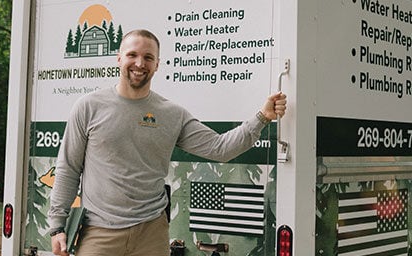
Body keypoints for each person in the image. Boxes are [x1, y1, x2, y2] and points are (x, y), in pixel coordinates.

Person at [48, 29, 287, 256]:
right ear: (118, 58)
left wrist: (262, 117)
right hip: (99, 232)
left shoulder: (172, 114)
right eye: (132, 55)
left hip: (151, 234)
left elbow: (220, 148)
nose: (140, 63)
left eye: (148, 57)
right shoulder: (89, 106)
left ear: (157, 65)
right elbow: (69, 167)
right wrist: (57, 226)